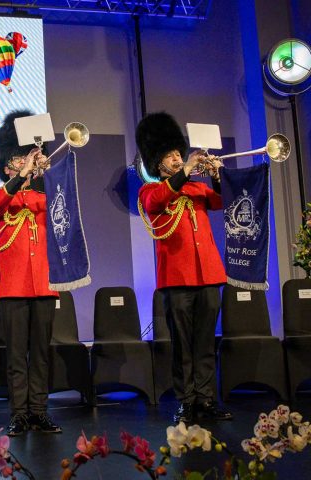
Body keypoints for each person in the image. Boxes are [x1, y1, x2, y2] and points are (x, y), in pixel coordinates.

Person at [136, 111, 233, 424]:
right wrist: (188, 169)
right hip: (177, 279)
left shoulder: (196, 189)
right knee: (183, 345)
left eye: (179, 154)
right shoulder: (151, 191)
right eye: (171, 156)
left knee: (206, 342)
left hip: (208, 275)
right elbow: (158, 202)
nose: (177, 159)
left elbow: (223, 201)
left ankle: (206, 399)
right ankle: (187, 401)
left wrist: (218, 174)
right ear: (158, 164)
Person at [0, 110, 62, 437]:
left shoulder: (46, 198)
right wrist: (25, 173)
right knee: (17, 356)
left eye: (26, 158)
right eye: (18, 159)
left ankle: (39, 412)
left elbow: (65, 208)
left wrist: (50, 170)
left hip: (43, 285)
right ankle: (19, 414)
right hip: (12, 287)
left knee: (41, 355)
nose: (25, 162)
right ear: (7, 167)